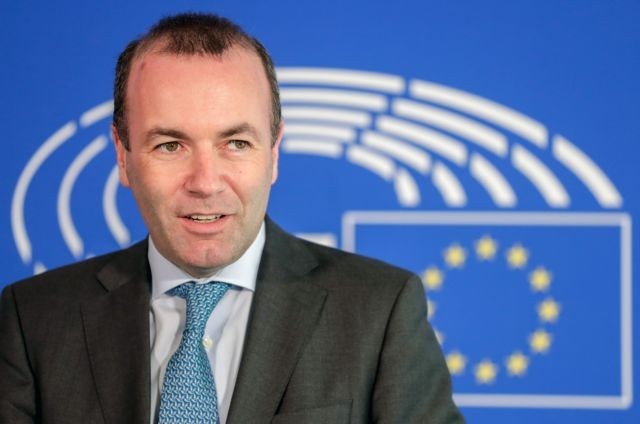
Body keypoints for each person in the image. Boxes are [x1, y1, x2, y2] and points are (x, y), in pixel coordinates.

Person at [0, 12, 464, 424]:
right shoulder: (33, 320)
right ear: (123, 156)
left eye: (236, 143)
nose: (205, 182)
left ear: (274, 153)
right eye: (170, 145)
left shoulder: (380, 312)